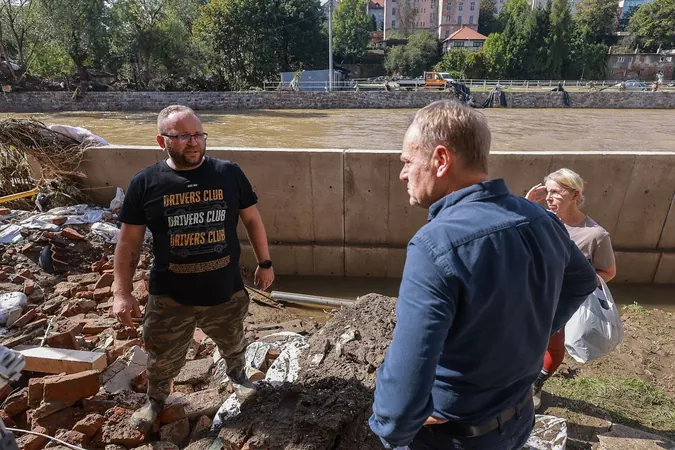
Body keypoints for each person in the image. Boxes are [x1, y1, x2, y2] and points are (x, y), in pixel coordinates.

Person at [368, 100, 598, 450]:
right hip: (518, 418)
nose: (403, 174)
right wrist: (535, 332)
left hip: (455, 438)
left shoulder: (435, 246)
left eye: (407, 161)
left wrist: (392, 431)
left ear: (440, 160)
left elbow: (402, 397)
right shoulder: (541, 218)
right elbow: (582, 280)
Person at [112, 105, 275, 431]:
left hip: (225, 291)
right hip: (170, 297)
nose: (194, 142)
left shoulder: (229, 173)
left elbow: (252, 219)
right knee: (161, 357)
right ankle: (155, 401)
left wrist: (265, 263)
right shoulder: (145, 183)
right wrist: (121, 292)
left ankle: (239, 378)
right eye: (183, 136)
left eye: (199, 134)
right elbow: (128, 242)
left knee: (233, 343)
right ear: (162, 141)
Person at [526, 169, 616, 409]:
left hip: (560, 302)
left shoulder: (595, 235)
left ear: (575, 195)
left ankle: (536, 383)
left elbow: (608, 272)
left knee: (552, 346)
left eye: (556, 192)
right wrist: (527, 205)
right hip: (530, 294)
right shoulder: (541, 219)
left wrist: (579, 284)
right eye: (547, 192)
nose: (549, 198)